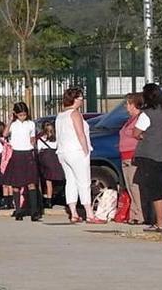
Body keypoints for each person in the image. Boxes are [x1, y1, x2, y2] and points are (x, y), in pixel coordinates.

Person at [56, 88, 99, 224]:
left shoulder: (60, 115)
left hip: (63, 151)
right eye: (80, 98)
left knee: (71, 181)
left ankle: (73, 212)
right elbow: (80, 133)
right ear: (75, 99)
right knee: (84, 181)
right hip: (76, 150)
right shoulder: (75, 114)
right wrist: (86, 149)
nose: (82, 101)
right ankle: (89, 213)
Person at [133, 83, 162, 232]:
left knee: (156, 192)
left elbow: (136, 133)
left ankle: (159, 223)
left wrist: (145, 136)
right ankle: (160, 220)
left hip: (151, 156)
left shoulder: (147, 114)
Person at [4, 102, 41, 222]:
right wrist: (10, 121)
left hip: (27, 154)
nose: (23, 117)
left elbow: (32, 138)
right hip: (17, 154)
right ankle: (18, 210)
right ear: (16, 114)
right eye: (20, 115)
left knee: (31, 182)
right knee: (16, 185)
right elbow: (5, 134)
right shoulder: (14, 125)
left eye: (24, 114)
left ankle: (34, 211)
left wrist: (33, 143)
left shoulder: (30, 124)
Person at [118, 92, 145, 225]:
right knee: (130, 186)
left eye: (128, 104)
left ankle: (139, 214)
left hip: (133, 155)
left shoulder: (140, 118)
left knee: (135, 186)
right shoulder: (130, 119)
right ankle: (134, 213)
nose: (126, 107)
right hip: (125, 156)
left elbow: (142, 135)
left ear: (134, 104)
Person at [37, 121, 64, 209]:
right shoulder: (57, 139)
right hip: (55, 159)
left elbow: (38, 149)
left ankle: (48, 200)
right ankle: (54, 197)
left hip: (45, 160)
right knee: (58, 180)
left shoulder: (41, 139)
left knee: (48, 181)